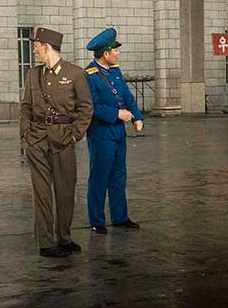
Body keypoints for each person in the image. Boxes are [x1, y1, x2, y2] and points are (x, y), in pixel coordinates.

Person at [19, 27, 93, 257]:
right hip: (37, 139)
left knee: (65, 191)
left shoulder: (75, 74)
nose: (34, 50)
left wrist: (74, 135)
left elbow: (86, 108)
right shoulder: (33, 74)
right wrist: (26, 133)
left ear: (47, 47)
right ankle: (46, 243)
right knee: (41, 193)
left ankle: (64, 237)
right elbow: (25, 106)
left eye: (37, 46)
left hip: (63, 139)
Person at [84, 28, 143, 235]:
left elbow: (126, 95)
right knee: (100, 176)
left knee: (119, 176)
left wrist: (137, 116)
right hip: (101, 133)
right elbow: (92, 107)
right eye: (115, 51)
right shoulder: (89, 75)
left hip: (118, 133)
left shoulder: (115, 70)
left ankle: (120, 217)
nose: (118, 54)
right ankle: (97, 220)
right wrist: (117, 114)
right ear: (105, 53)